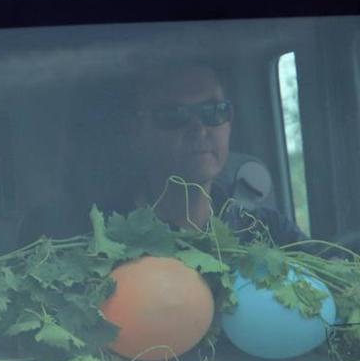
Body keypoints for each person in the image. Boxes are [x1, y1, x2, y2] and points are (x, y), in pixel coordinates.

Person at [118, 61, 308, 245]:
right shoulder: (108, 244)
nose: (199, 129)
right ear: (137, 131)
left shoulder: (267, 231)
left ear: (229, 122)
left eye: (214, 111)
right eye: (174, 114)